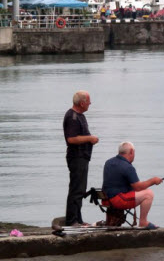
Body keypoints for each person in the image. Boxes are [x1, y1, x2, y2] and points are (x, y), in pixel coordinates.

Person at [102, 141, 163, 229]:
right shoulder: (127, 167)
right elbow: (138, 187)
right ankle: (143, 222)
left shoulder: (109, 162)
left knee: (140, 192)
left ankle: (111, 220)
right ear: (131, 152)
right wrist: (153, 181)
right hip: (117, 201)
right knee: (148, 194)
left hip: (106, 200)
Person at [63, 90, 99, 227]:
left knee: (80, 189)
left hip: (83, 157)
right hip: (76, 157)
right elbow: (71, 139)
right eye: (89, 101)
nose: (90, 104)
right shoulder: (72, 117)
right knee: (76, 189)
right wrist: (90, 138)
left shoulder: (80, 116)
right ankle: (72, 220)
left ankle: (78, 219)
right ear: (82, 102)